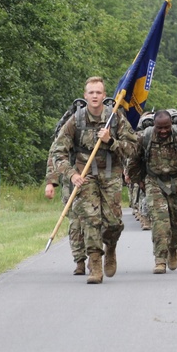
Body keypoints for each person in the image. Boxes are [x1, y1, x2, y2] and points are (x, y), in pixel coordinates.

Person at [52, 76, 138, 284]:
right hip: (85, 177)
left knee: (114, 223)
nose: (95, 96)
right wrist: (71, 174)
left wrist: (111, 141)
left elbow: (134, 148)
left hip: (110, 177)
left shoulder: (115, 118)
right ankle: (95, 265)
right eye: (91, 92)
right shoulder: (76, 121)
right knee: (91, 220)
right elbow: (58, 151)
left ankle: (111, 248)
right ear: (85, 95)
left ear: (104, 95)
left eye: (98, 92)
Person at [126, 110, 177, 273]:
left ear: (172, 125)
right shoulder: (145, 137)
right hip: (154, 182)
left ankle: (173, 247)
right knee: (159, 221)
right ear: (154, 125)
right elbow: (132, 161)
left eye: (166, 127)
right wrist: (138, 180)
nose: (163, 131)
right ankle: (160, 259)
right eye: (159, 128)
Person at [44, 150, 86, 274]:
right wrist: (51, 182)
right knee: (75, 222)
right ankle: (79, 260)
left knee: (93, 222)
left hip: (92, 178)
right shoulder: (63, 131)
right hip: (70, 183)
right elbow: (55, 155)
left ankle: (95, 258)